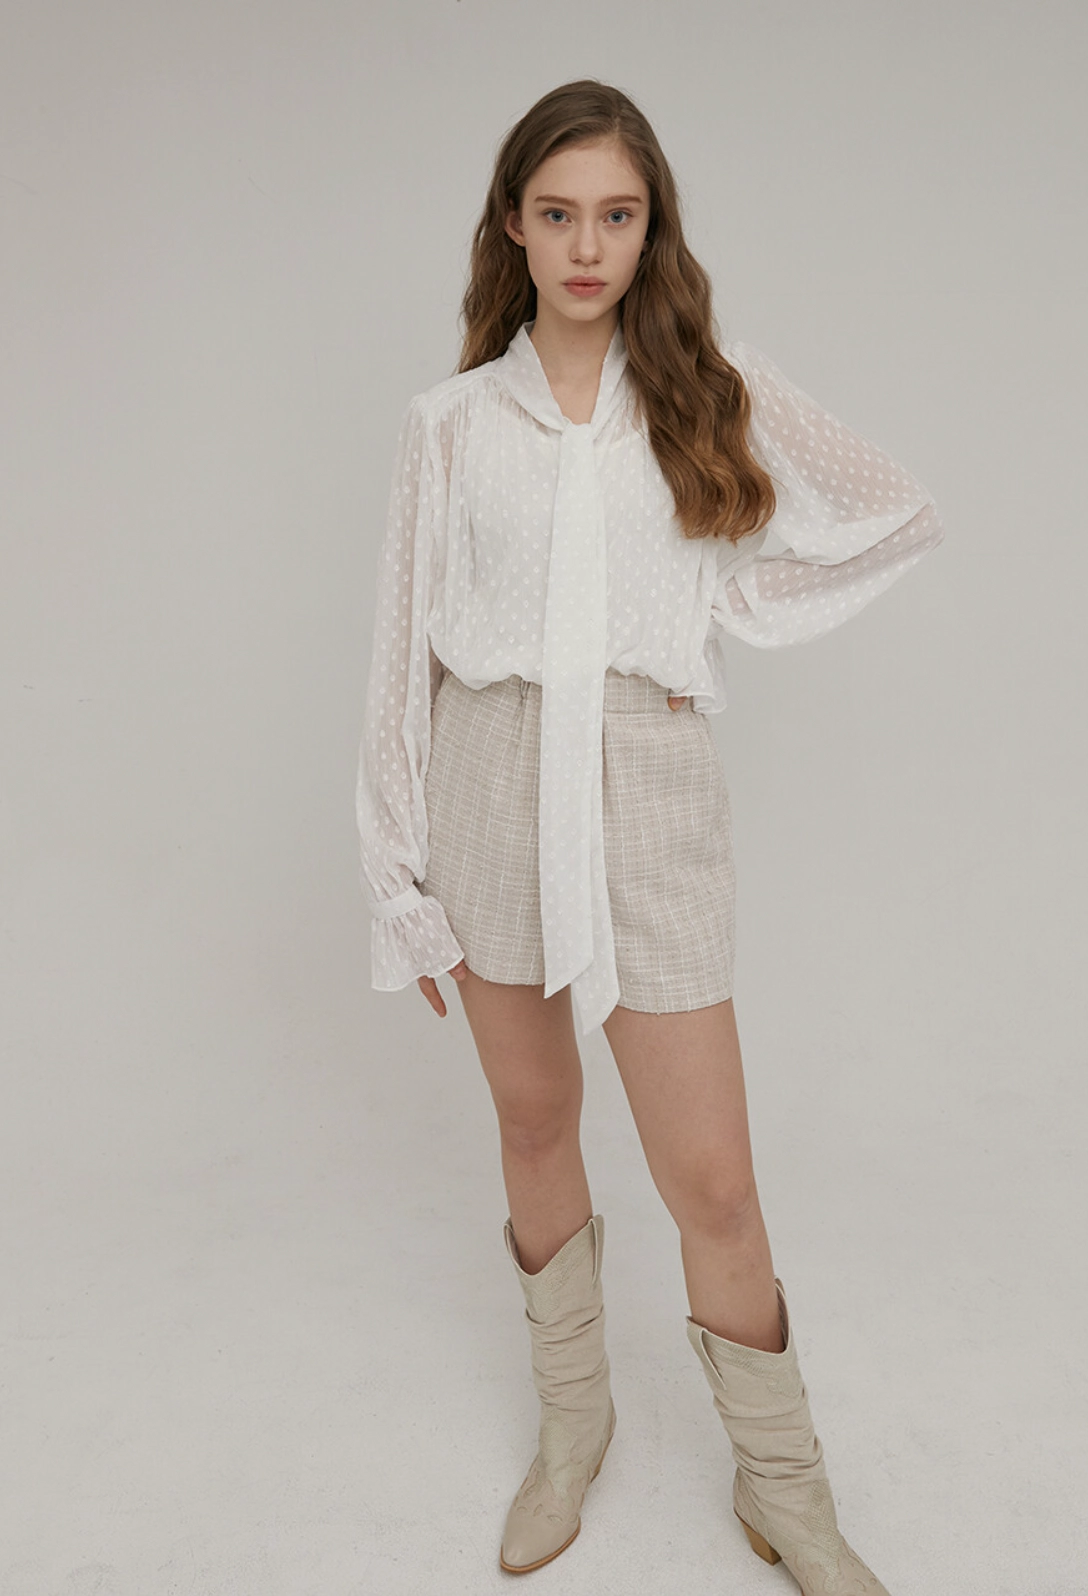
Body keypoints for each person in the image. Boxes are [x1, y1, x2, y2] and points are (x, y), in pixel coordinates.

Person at [356, 78, 942, 1591]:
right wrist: (398, 878)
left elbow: (888, 510)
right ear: (511, 225)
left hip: (647, 779)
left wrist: (715, 606)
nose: (585, 246)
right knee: (533, 1123)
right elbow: (400, 658)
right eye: (556, 214)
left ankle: (784, 1487)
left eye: (615, 216)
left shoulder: (704, 386)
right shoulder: (447, 425)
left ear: (649, 228)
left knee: (715, 1181)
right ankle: (573, 1427)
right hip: (487, 778)